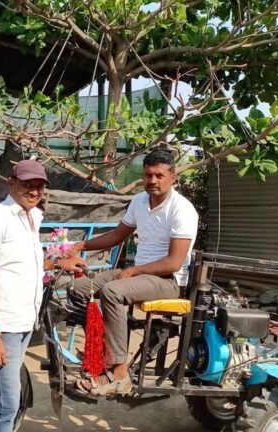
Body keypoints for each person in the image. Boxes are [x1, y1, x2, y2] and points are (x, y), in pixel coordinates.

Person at [70, 150, 199, 396]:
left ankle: (120, 374)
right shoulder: (139, 201)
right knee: (79, 289)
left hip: (168, 281)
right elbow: (118, 236)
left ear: (172, 176)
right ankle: (98, 356)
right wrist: (82, 245)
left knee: (112, 291)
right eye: (148, 175)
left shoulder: (182, 209)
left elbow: (173, 262)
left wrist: (132, 271)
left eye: (159, 175)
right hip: (141, 276)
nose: (153, 181)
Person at [0, 159, 85, 432]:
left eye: (39, 187)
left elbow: (25, 263)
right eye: (27, 185)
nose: (34, 191)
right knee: (8, 402)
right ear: (11, 183)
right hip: (3, 325)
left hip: (23, 321)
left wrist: (59, 264)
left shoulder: (31, 219)